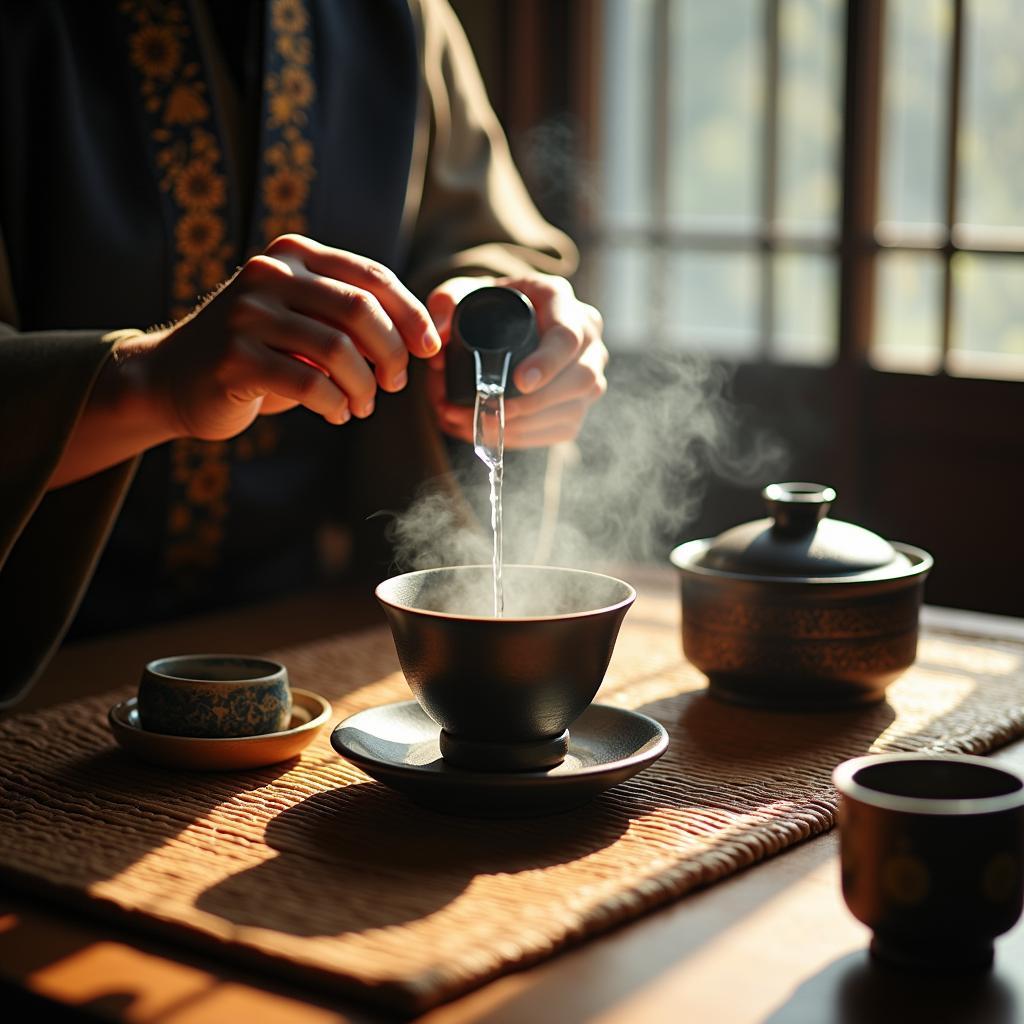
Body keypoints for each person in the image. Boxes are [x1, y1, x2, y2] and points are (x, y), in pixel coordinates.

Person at [0, 0, 608, 706]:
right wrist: (155, 382)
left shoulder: (402, 16)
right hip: (40, 659)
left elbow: (477, 242)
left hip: (308, 634)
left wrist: (489, 322)